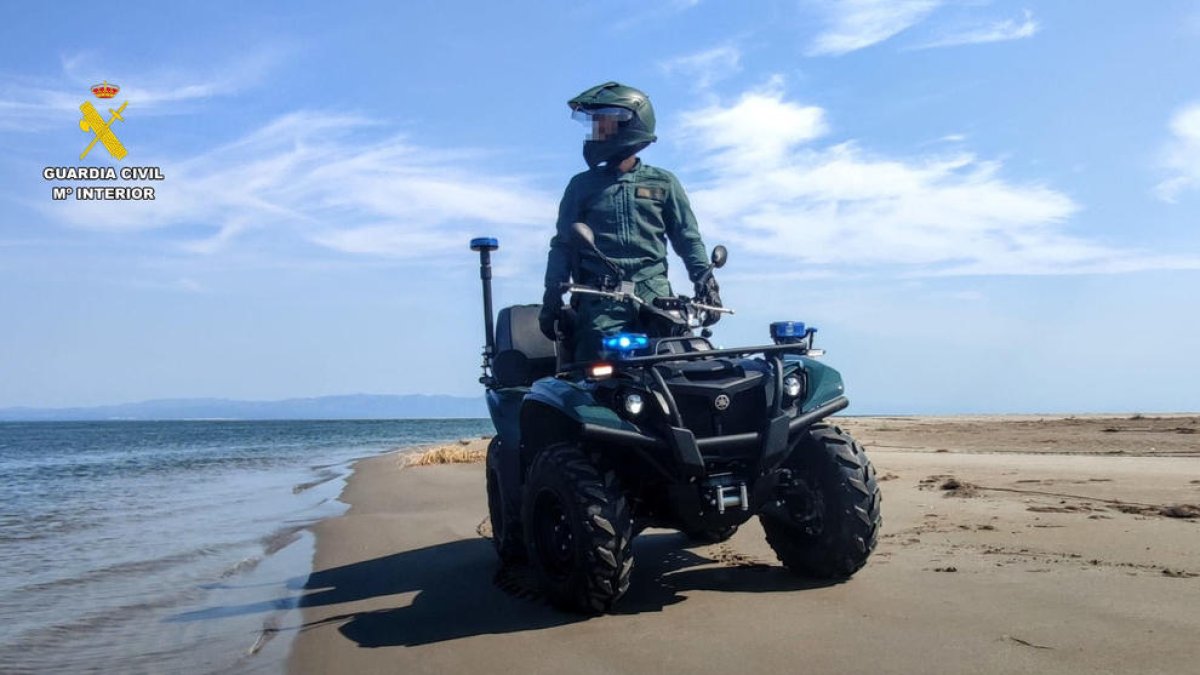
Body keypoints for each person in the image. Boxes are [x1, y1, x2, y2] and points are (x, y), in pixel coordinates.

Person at [539, 81, 722, 362]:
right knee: (594, 376)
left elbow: (687, 238)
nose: (596, 132)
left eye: (603, 125)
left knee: (683, 364)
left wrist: (706, 282)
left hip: (657, 300)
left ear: (629, 125)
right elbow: (563, 245)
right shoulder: (581, 186)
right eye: (594, 125)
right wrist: (552, 298)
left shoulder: (663, 182)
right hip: (602, 302)